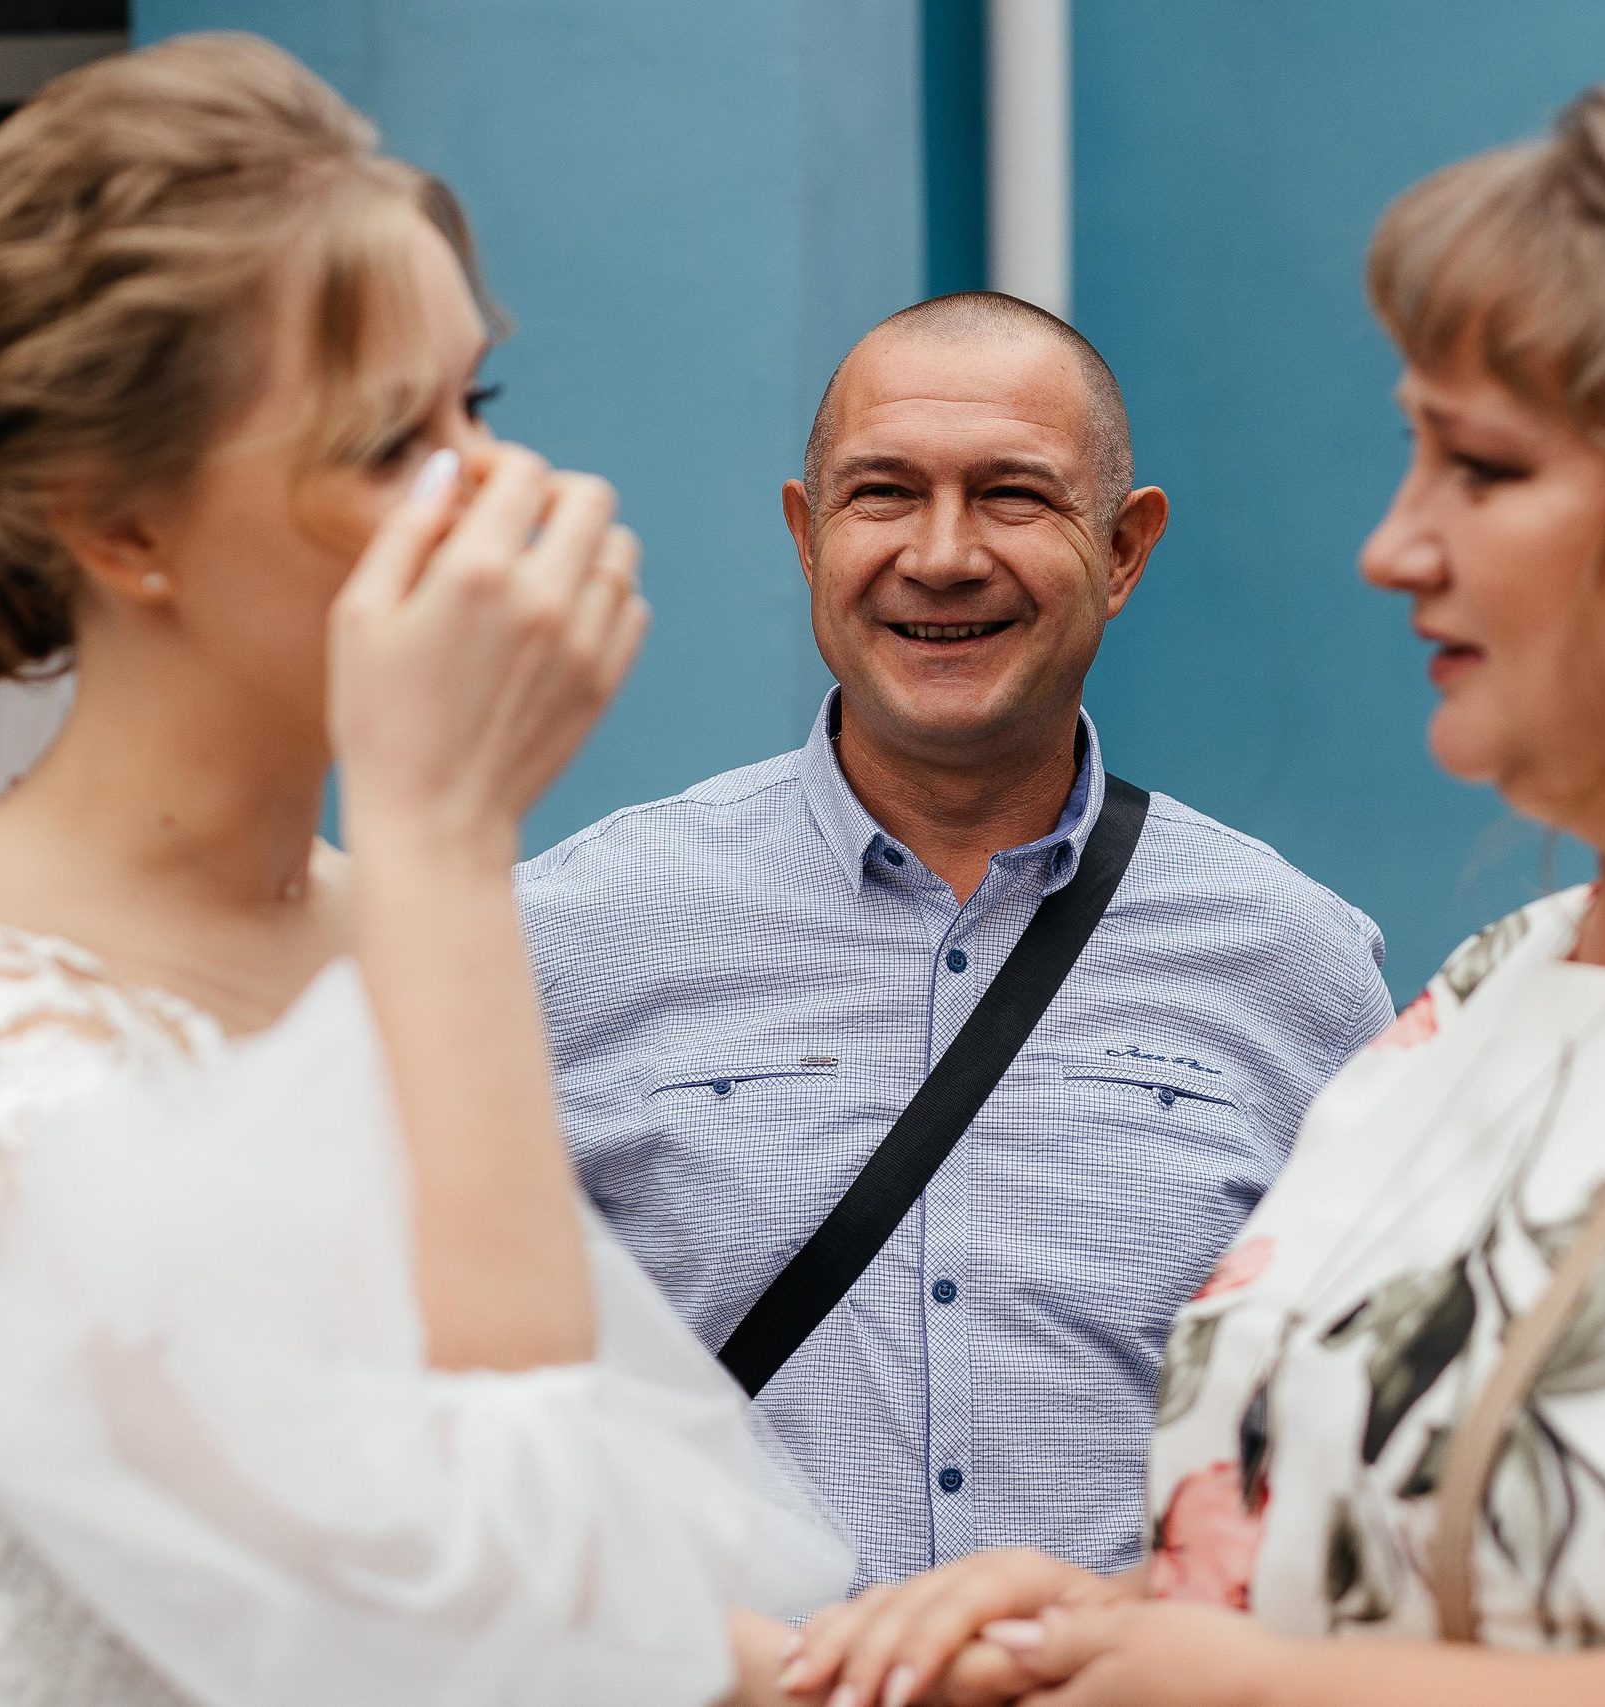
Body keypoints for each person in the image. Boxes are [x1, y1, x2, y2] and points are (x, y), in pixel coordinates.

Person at [773, 31, 1605, 1707]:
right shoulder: (1497, 991)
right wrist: (1122, 1624)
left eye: (1484, 470)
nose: (1393, 547)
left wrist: (1250, 1689)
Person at [0, 35, 846, 1707]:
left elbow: (660, 1603)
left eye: (483, 407)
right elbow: (516, 1607)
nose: (504, 495)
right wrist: (446, 838)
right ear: (122, 530)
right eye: (394, 444)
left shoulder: (385, 915)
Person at [518, 292, 1392, 1590]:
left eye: (1013, 497)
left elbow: (1365, 1440)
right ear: (806, 538)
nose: (941, 555)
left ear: (1124, 548)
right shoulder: (569, 940)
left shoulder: (1293, 963)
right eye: (882, 495)